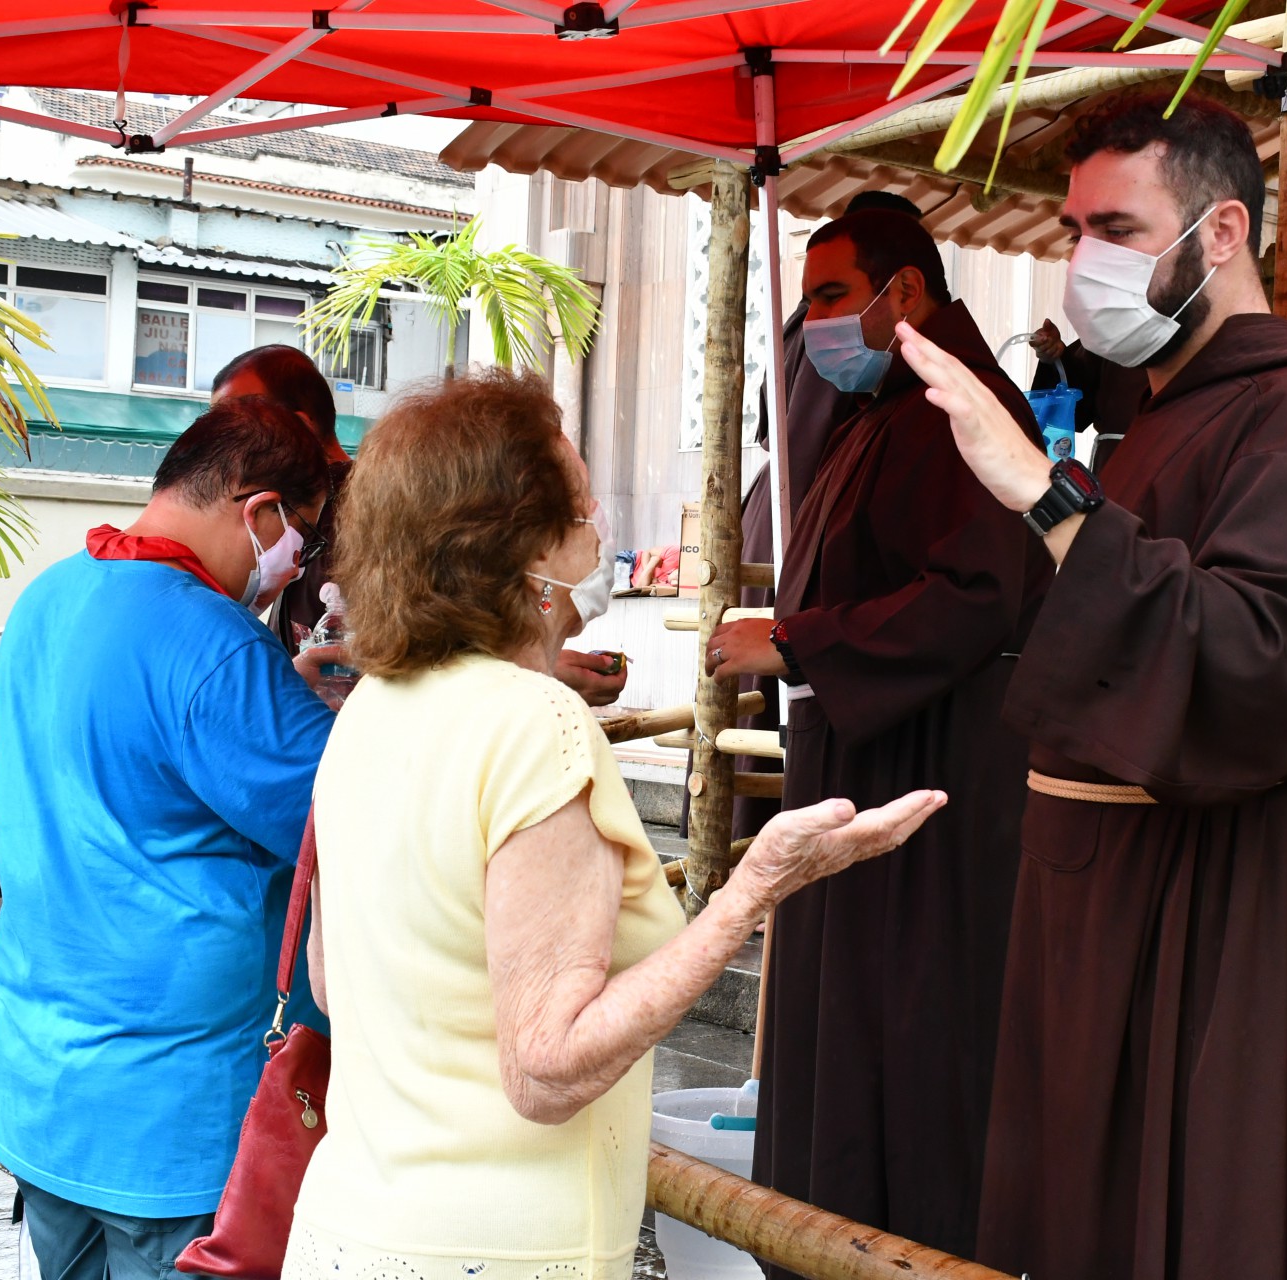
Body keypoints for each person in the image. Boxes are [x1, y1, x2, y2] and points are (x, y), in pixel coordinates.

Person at [895, 92, 1287, 1280]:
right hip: (1106, 892)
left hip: (1215, 904)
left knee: (1198, 1220)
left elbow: (1262, 655)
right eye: (1076, 228)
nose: (1087, 261)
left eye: (1120, 229)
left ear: (1224, 231)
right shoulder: (1176, 412)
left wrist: (1042, 492)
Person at [281, 368, 945, 1280]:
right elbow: (546, 1068)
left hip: (344, 1230)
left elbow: (330, 970)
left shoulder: (369, 707)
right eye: (575, 484)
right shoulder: (531, 720)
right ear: (524, 535)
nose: (596, 504)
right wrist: (751, 893)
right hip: (492, 1253)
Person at [705, 209, 1051, 1263]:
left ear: (903, 294)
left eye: (830, 297)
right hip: (856, 764)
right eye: (807, 302)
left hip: (923, 786)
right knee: (842, 1035)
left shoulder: (963, 412)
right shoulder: (878, 410)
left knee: (909, 1039)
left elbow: (976, 593)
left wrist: (800, 643)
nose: (816, 325)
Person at [0, 397, 338, 1280]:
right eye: (300, 533)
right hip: (173, 1112)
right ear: (258, 511)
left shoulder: (47, 598)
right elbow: (351, 817)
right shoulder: (215, 645)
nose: (296, 562)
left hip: (42, 1087)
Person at [212, 344, 628, 707]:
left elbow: (436, 654)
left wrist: (532, 673)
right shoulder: (296, 522)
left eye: (234, 424)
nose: (216, 443)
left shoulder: (358, 515)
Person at [735, 190, 925, 839]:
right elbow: (816, 437)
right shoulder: (845, 324)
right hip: (805, 518)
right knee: (788, 686)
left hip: (783, 511)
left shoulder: (806, 316)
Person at [1026, 316, 1150, 464]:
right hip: (1115, 464)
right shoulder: (1115, 328)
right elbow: (1078, 407)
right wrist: (1055, 356)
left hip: (1176, 459)